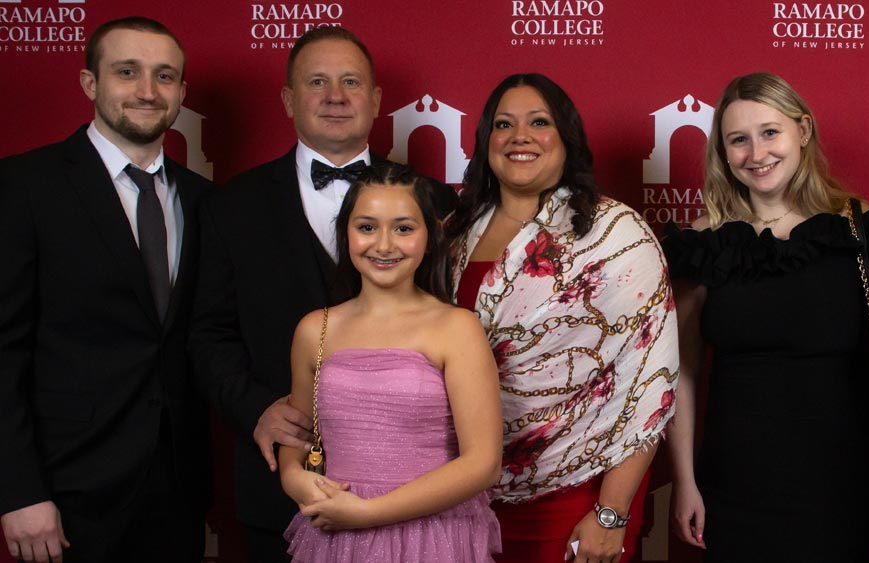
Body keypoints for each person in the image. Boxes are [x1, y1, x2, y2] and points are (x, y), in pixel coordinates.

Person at [188, 26, 458, 562]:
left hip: (411, 491)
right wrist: (258, 409)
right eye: (317, 82)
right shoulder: (230, 205)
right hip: (279, 487)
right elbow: (207, 334)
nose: (336, 96)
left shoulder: (434, 200)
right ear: (289, 100)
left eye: (351, 82)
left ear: (376, 100)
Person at [661, 72, 869, 562]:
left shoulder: (861, 228)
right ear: (723, 152)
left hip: (843, 483)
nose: (757, 153)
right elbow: (680, 373)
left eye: (771, 132)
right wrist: (685, 480)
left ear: (803, 132)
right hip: (736, 484)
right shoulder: (704, 243)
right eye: (739, 140)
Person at [0, 16, 211, 563]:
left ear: (182, 93)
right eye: (127, 72)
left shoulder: (204, 199)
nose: (147, 91)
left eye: (165, 76)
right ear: (90, 84)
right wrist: (20, 491)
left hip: (178, 489)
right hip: (66, 494)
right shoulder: (25, 186)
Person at [446, 73, 678, 563]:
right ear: (486, 140)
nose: (520, 136)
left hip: (578, 495)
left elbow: (646, 385)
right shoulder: (451, 233)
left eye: (539, 122)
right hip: (459, 491)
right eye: (503, 124)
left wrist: (612, 513)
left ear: (567, 138)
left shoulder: (617, 236)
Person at [277, 164, 502, 562]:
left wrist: (367, 513)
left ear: (430, 237)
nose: (384, 245)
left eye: (402, 228)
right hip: (336, 534)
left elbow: (483, 464)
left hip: (431, 535)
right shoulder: (316, 329)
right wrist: (295, 478)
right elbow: (298, 437)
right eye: (366, 227)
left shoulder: (457, 328)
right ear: (346, 233)